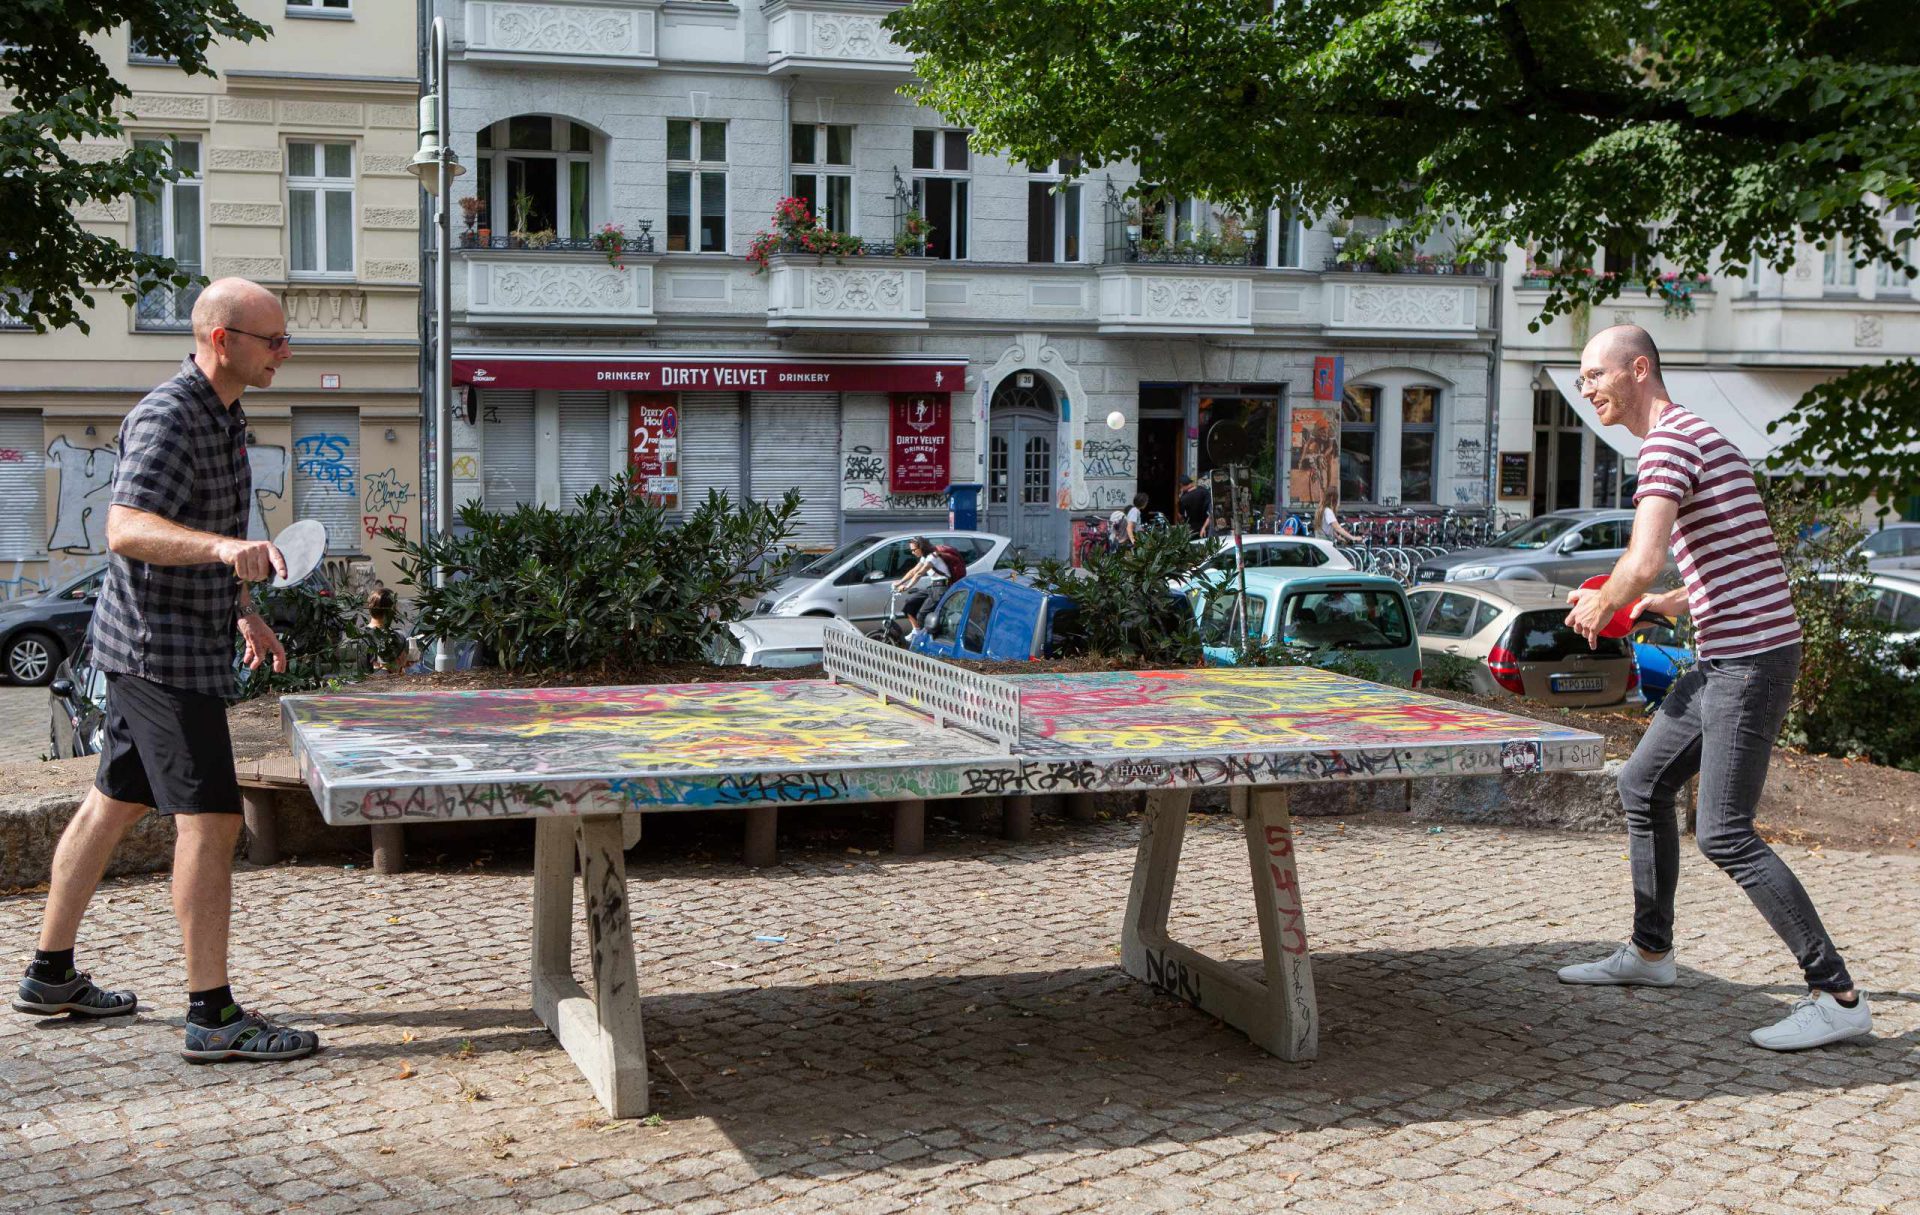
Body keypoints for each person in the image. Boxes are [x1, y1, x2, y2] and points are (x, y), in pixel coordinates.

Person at [13, 278, 322, 1063]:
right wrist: (224, 552)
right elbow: (125, 527)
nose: (285, 352)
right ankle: (212, 1015)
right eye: (273, 341)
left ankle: (50, 973)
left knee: (111, 803)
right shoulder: (168, 414)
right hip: (160, 655)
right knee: (213, 821)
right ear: (223, 340)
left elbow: (216, 524)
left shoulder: (225, 415)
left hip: (164, 642)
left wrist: (242, 605)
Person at [1558, 324, 1868, 1051]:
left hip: (1749, 661)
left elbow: (1644, 556)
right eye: (1580, 380)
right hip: (1733, 653)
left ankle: (1837, 993)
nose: (1588, 388)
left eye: (1596, 374)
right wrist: (1665, 602)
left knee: (1724, 830)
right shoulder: (1701, 435)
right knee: (1642, 783)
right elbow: (1737, 559)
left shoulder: (1667, 445)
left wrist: (1611, 603)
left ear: (1639, 369)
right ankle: (1652, 951)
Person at [891, 536, 951, 642]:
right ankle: (916, 630)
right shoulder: (925, 557)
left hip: (941, 588)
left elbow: (919, 573)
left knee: (922, 614)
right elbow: (914, 571)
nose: (913, 552)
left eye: (914, 550)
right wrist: (899, 582)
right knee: (909, 604)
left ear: (921, 548)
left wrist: (907, 586)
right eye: (911, 550)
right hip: (933, 587)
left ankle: (925, 641)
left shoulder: (932, 557)